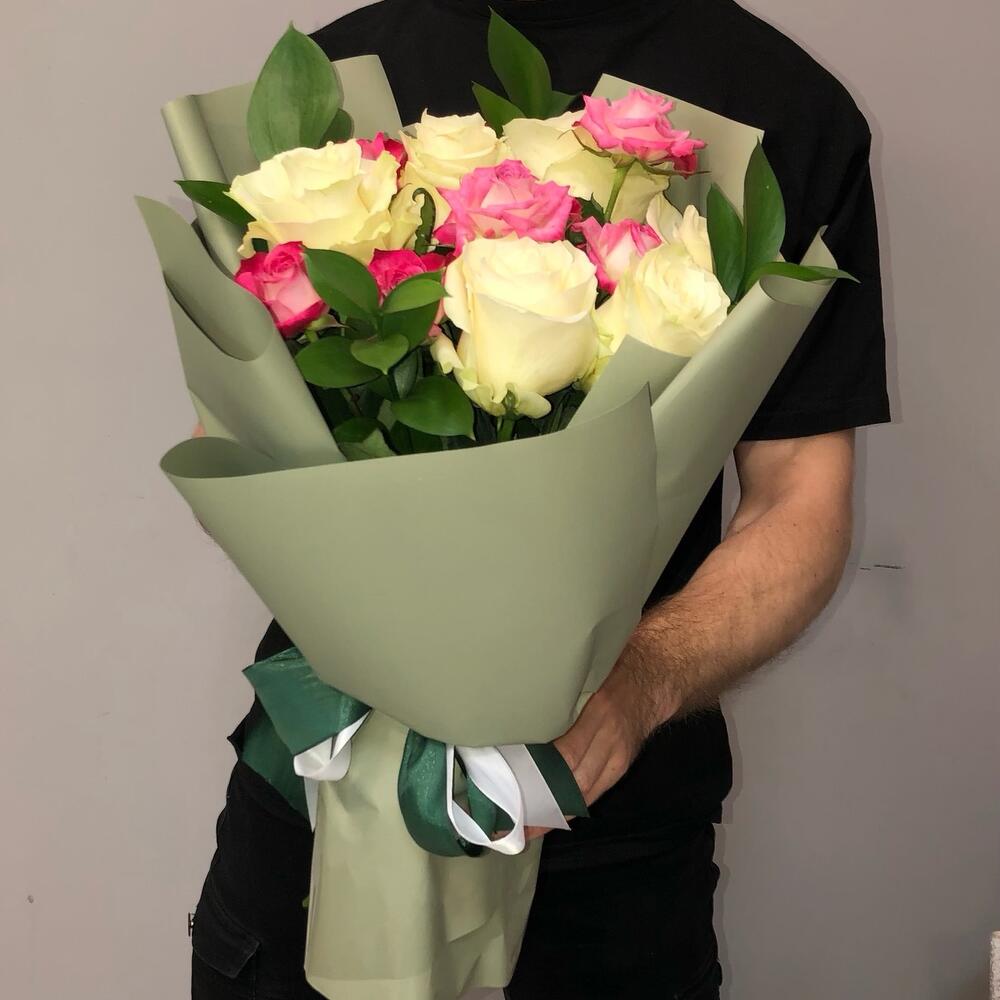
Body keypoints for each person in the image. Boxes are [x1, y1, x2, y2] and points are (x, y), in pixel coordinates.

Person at [190, 1, 891, 997]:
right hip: (325, 789)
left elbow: (799, 505)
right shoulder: (336, 87)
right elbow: (237, 442)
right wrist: (388, 647)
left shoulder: (780, 105)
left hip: (606, 824)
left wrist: (640, 681)